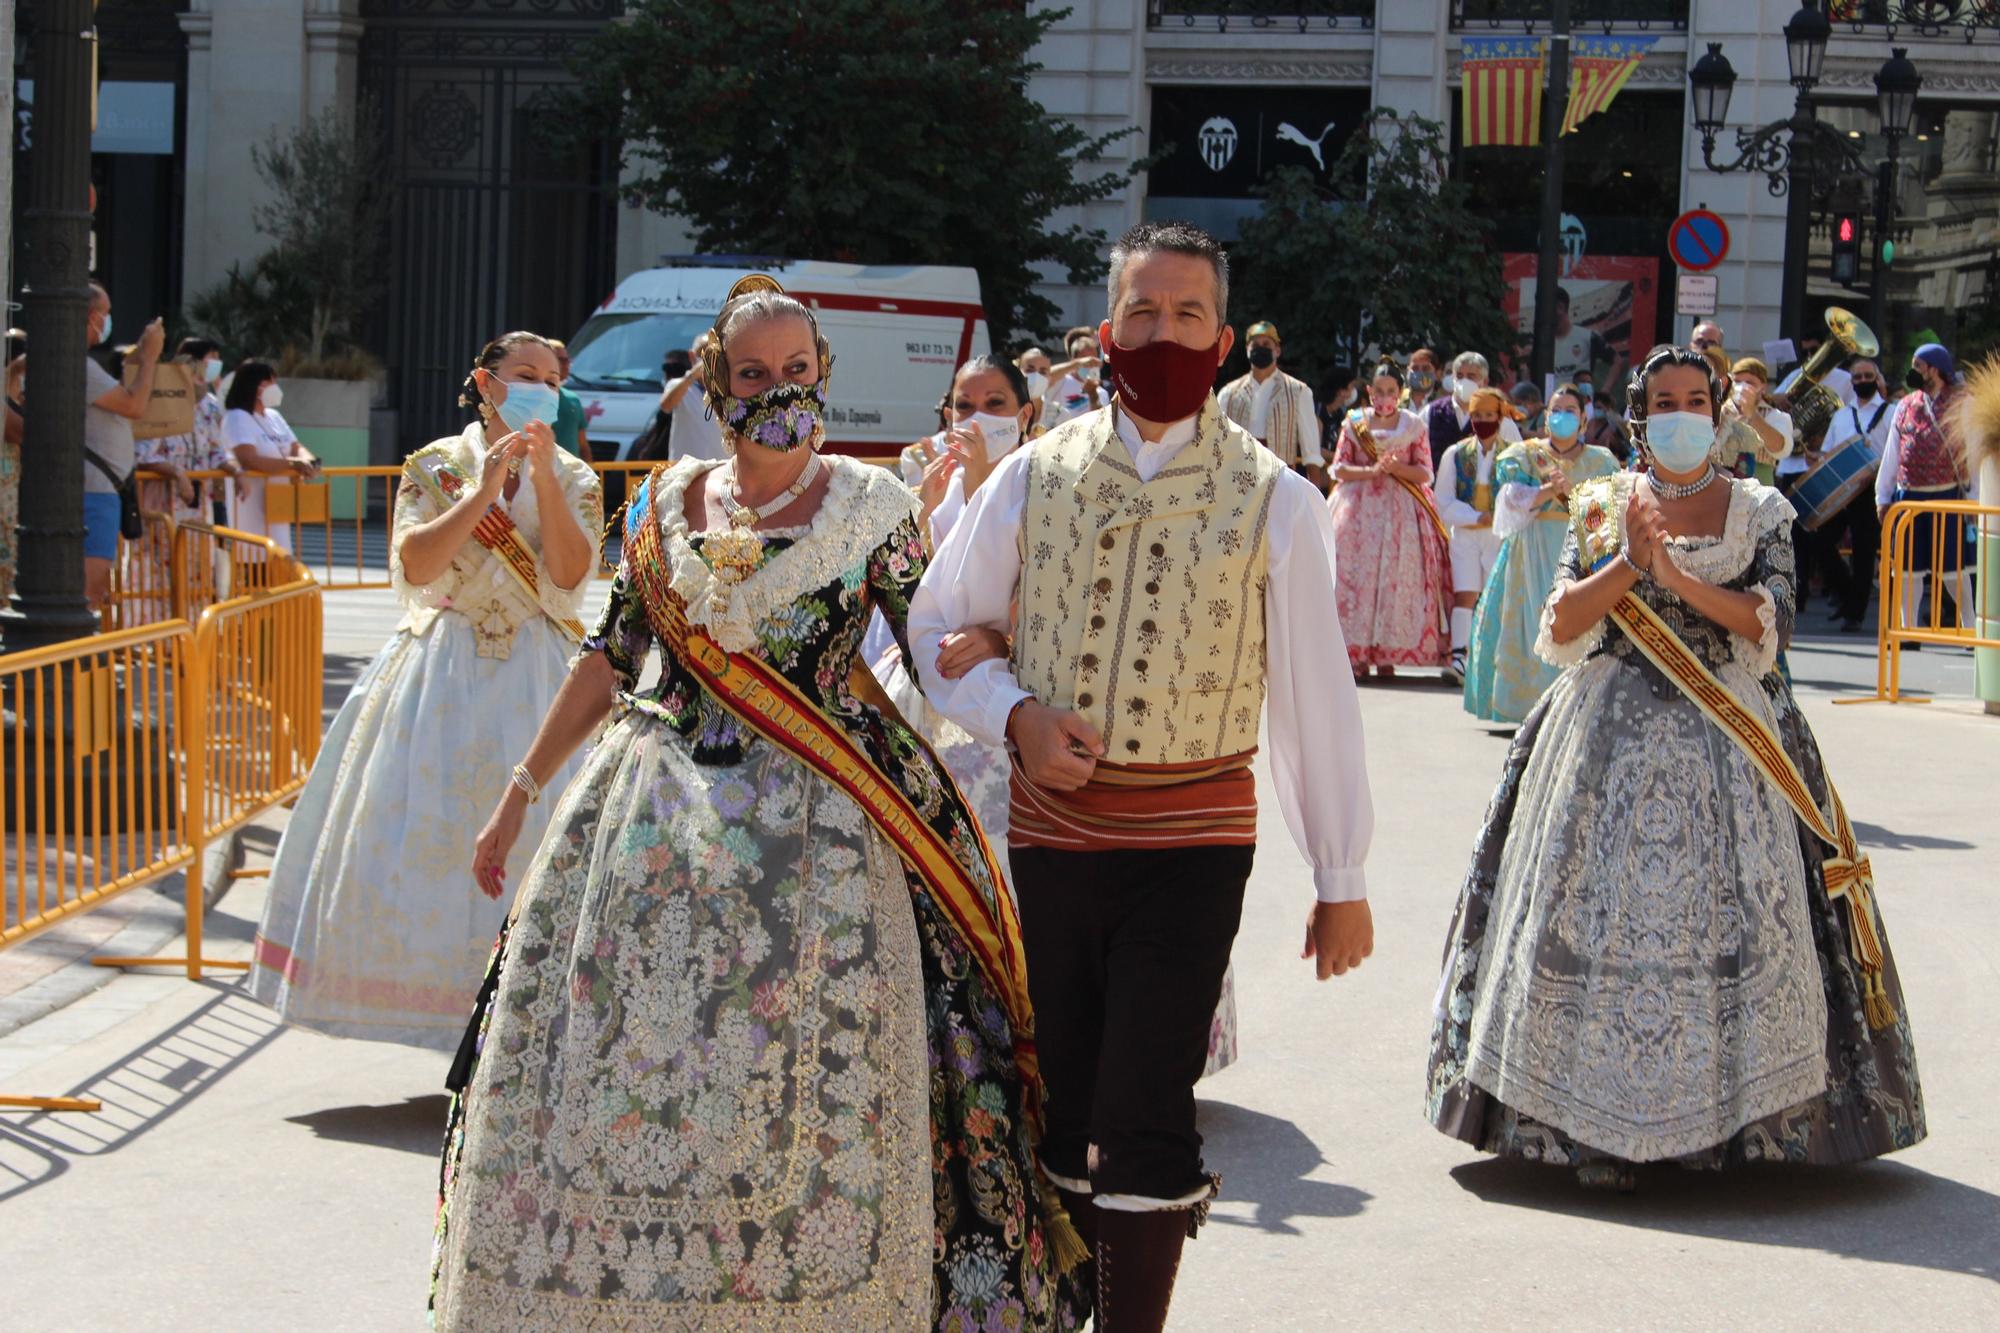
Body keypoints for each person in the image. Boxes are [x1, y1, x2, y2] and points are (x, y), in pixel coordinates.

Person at [431, 279, 1088, 1331]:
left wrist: (1013, 697)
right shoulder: (661, 505)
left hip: (832, 812)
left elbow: (934, 642)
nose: (777, 391)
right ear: (714, 386)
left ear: (822, 373)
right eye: (751, 374)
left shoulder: (875, 509)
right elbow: (616, 658)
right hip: (649, 817)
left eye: (795, 370)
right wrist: (518, 792)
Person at [909, 221, 1375, 1331]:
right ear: (1103, 329)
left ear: (1221, 342)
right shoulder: (1032, 474)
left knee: (1145, 1101)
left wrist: (1338, 870)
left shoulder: (1278, 499)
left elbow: (1313, 693)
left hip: (1192, 842)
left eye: (1185, 315)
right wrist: (1010, 715)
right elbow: (935, 626)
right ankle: (1069, 1309)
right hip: (1054, 837)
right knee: (1062, 1097)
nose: (1159, 332)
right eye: (1139, 313)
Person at [1427, 343, 1924, 1188]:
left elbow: (1767, 632)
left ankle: (1742, 1127)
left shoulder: (1760, 508)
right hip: (1601, 737)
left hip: (1733, 734)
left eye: (1698, 396)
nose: (1684, 412)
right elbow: (1563, 628)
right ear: (1639, 414)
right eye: (1666, 400)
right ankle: (1586, 1125)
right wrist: (1628, 560)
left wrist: (1675, 578)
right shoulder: (1599, 501)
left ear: (1719, 408)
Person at [250, 331, 602, 1049]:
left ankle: (526, 1030)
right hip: (440, 670)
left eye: (552, 377)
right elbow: (414, 561)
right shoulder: (434, 466)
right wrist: (482, 493)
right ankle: (438, 1017)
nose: (541, 386)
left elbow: (570, 581)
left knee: (543, 840)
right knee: (424, 838)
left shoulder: (575, 478)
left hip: (537, 671)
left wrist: (539, 479)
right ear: (485, 379)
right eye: (524, 373)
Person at [1461, 384, 1621, 724]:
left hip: (1578, 547)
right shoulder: (1522, 455)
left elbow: (1606, 513)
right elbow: (1508, 501)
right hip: (1530, 549)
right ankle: (1524, 705)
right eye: (1555, 409)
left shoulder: (1600, 460)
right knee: (1527, 622)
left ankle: (1576, 703)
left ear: (1582, 419)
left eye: (1569, 411)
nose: (1561, 416)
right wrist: (1548, 489)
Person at [1329, 363, 1452, 681]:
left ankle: (1386, 652)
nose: (1384, 397)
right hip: (1357, 512)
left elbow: (1426, 472)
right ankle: (1354, 653)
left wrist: (1396, 468)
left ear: (1401, 393)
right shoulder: (1354, 423)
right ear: (1369, 392)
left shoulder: (1413, 425)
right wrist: (1371, 472)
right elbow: (1339, 468)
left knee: (1394, 579)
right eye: (1379, 391)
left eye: (1391, 392)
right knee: (1355, 578)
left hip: (1401, 515)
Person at [1875, 342, 1971, 631]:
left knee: (1953, 569)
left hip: (1947, 495)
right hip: (1909, 497)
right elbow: (1893, 452)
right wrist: (1883, 494)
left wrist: (1976, 497)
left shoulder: (1963, 403)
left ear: (1936, 369)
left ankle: (1970, 627)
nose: (1913, 371)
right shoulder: (1905, 405)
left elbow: (1974, 451)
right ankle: (1909, 629)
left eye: (1919, 366)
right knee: (1907, 569)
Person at [81, 284, 165, 612]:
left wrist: (143, 353)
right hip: (95, 492)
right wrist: (151, 360)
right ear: (92, 316)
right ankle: (78, 657)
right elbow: (134, 406)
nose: (109, 321)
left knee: (95, 587)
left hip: (101, 490)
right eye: (107, 313)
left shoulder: (86, 363)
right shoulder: (82, 366)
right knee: (92, 588)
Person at [1435, 387, 1521, 687]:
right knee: (1465, 593)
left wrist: (1497, 517)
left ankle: (1492, 658)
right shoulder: (1456, 454)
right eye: (1476, 415)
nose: (1482, 421)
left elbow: (1520, 495)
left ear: (1500, 417)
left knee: (1495, 596)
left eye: (1488, 415)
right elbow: (1443, 500)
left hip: (1498, 536)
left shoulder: (1513, 455)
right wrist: (1474, 517)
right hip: (1466, 536)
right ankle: (1460, 657)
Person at [1816, 358, 1892, 631]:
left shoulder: (1891, 412)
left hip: (1871, 489)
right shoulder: (1842, 415)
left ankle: (1854, 614)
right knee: (1820, 540)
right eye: (1857, 377)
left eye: (1868, 376)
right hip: (1842, 489)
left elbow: (1895, 453)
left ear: (1878, 378)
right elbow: (1828, 452)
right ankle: (1848, 594)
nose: (1862, 381)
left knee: (1863, 553)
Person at [1217, 320, 1328, 489]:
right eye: (1255, 344)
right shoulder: (1229, 393)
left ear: (1277, 350)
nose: (1260, 348)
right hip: (1238, 480)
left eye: (1266, 344)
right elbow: (1217, 442)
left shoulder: (1298, 391)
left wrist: (1315, 492)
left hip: (1281, 480)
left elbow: (1311, 450)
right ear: (1247, 349)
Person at [223, 361, 319, 554]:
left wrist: (308, 461)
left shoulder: (273, 416)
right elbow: (248, 459)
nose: (275, 387)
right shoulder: (237, 417)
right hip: (251, 504)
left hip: (278, 504)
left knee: (280, 556)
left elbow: (295, 446)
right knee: (255, 558)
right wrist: (292, 464)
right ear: (255, 387)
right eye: (270, 382)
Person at [1426, 351, 1522, 467]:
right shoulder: (1432, 412)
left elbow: (1519, 458)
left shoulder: (1499, 417)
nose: (1464, 381)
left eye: (1471, 376)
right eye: (1460, 376)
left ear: (1485, 381)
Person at [656, 330, 725, 462]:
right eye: (703, 354)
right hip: (685, 471)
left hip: (720, 471)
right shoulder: (678, 385)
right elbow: (666, 406)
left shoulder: (730, 389)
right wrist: (691, 376)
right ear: (692, 357)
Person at [1725, 356, 1793, 486]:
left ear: (1762, 387)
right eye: (1737, 381)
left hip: (1759, 489)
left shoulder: (1777, 417)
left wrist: (1752, 415)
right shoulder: (1720, 411)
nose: (1742, 387)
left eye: (1750, 383)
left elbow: (1779, 448)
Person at [1549, 286, 1623, 386]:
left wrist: (1605, 392)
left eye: (1545, 307)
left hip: (1580, 400)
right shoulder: (1542, 342)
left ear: (1560, 307)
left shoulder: (1588, 337)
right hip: (1552, 401)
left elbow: (1617, 361)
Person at [545, 337, 591, 459]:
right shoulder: (535, 398)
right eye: (561, 360)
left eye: (567, 360)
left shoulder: (573, 399)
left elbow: (583, 445)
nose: (567, 365)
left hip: (571, 475)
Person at [1404, 347, 1441, 412]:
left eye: (1425, 369)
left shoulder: (1443, 403)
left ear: (1437, 374)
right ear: (1408, 371)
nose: (1420, 372)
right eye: (1415, 368)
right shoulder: (1396, 401)